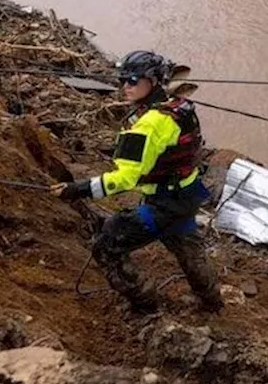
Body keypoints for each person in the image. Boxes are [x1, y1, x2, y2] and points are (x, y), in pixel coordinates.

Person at [51, 50, 223, 314]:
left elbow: (125, 179)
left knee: (107, 244)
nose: (125, 86)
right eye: (123, 79)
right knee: (186, 245)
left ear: (153, 82)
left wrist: (78, 189)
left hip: (163, 203)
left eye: (133, 80)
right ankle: (212, 300)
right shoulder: (179, 107)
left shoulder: (147, 126)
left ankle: (145, 304)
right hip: (187, 195)